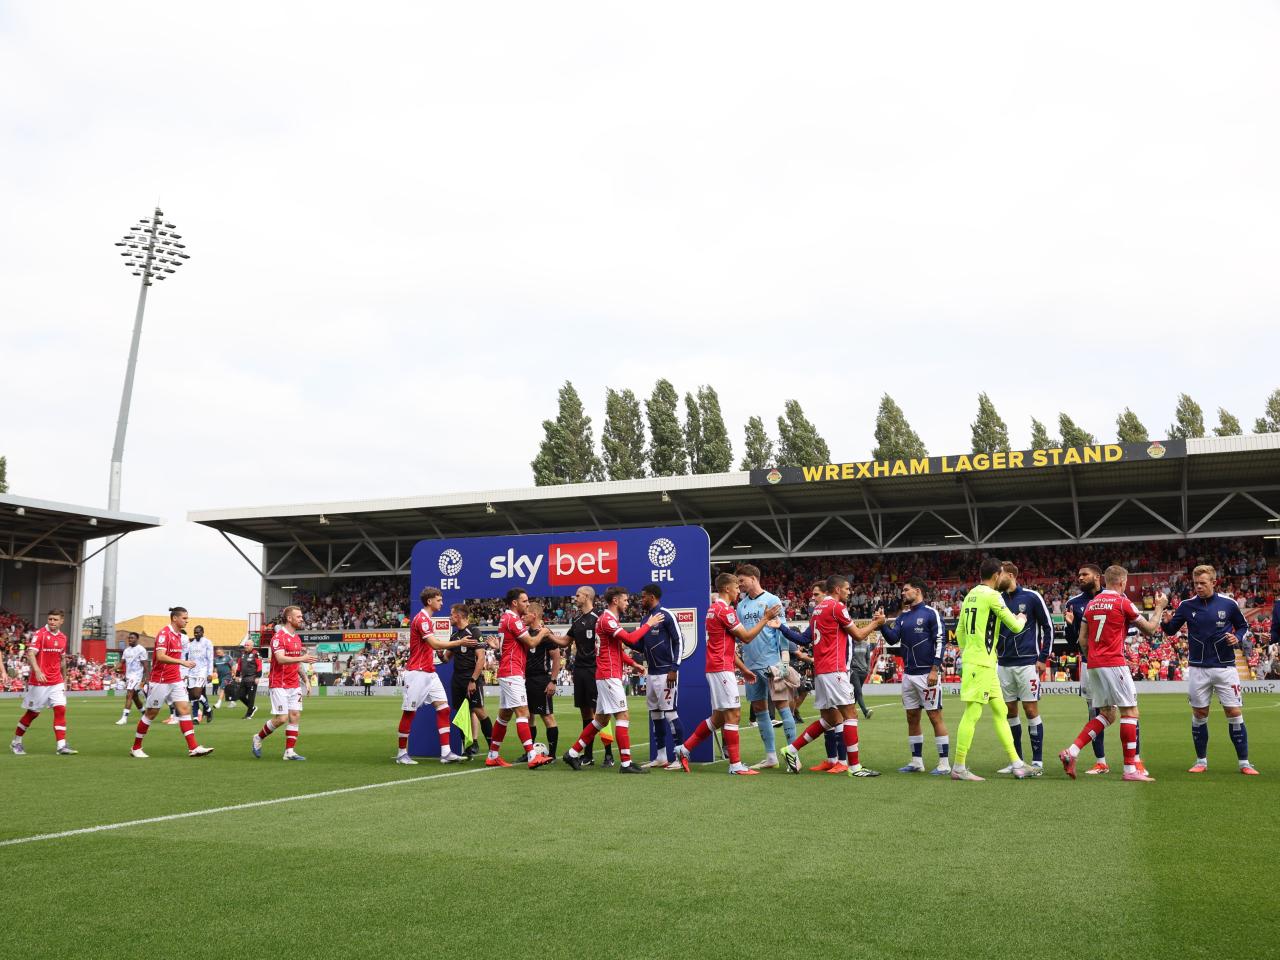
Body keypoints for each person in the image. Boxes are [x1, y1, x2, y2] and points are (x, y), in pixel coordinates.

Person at [1059, 566, 1166, 781]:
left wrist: (1094, 658)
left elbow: (1081, 640)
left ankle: (1072, 752)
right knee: (1130, 713)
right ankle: (1130, 770)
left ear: (1105, 580)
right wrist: (1160, 608)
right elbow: (1150, 629)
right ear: (1122, 582)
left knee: (1107, 714)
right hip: (1114, 663)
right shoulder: (1122, 602)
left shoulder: (1090, 605)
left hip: (1093, 665)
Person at [673, 573, 779, 776]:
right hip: (721, 668)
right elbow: (746, 638)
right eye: (736, 587)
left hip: (719, 666)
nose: (739, 590)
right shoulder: (725, 611)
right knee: (734, 714)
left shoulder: (714, 610)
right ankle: (735, 765)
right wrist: (765, 619)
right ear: (727, 589)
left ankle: (684, 750)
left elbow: (724, 646)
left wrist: (744, 669)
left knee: (718, 718)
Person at [1159, 564, 1258, 775]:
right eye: (1196, 583)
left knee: (1233, 712)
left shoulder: (1228, 604)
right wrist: (1165, 621)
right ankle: (1201, 761)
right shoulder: (1186, 605)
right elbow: (1170, 631)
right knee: (1200, 713)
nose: (1199, 587)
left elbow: (1243, 626)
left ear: (1214, 582)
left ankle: (1244, 763)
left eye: (1203, 583)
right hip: (1198, 669)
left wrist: (1237, 637)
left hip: (1225, 668)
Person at [781, 576, 881, 777]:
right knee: (850, 715)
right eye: (847, 588)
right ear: (836, 589)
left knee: (829, 719)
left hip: (822, 671)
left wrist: (781, 628)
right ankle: (855, 767)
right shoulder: (837, 607)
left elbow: (806, 638)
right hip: (835, 670)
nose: (849, 592)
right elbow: (859, 635)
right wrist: (876, 623)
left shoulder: (817, 611)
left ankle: (790, 750)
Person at [950, 560, 1038, 781]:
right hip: (981, 664)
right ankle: (959, 767)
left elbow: (960, 630)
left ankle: (1017, 763)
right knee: (973, 713)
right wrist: (1021, 617)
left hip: (983, 663)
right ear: (998, 574)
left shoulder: (971, 595)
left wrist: (968, 651)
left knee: (1001, 711)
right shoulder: (992, 595)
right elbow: (1016, 627)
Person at [563, 586, 663, 773]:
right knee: (622, 715)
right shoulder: (607, 619)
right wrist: (649, 624)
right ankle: (626, 763)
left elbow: (616, 649)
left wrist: (633, 663)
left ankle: (572, 753)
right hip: (608, 675)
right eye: (625, 600)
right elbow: (630, 639)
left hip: (606, 675)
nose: (627, 603)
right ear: (615, 601)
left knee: (600, 720)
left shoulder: (609, 619)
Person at [395, 587, 478, 765]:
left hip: (429, 672)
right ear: (430, 601)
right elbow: (434, 644)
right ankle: (402, 754)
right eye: (439, 600)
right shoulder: (422, 619)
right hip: (417, 673)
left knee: (444, 708)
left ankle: (446, 752)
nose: (441, 603)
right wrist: (460, 642)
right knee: (409, 713)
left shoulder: (427, 619)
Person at [877, 578, 950, 775]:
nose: (903, 593)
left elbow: (941, 641)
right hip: (909, 675)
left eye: (906, 590)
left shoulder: (931, 614)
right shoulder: (902, 616)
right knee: (912, 717)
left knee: (935, 716)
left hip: (927, 673)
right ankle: (916, 762)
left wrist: (935, 669)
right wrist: (882, 625)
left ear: (917, 591)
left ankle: (944, 763)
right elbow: (893, 638)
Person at [734, 564, 797, 770]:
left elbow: (781, 630)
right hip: (751, 665)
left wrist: (785, 660)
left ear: (753, 578)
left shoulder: (772, 600)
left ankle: (792, 756)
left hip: (772, 663)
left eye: (742, 580)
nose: (739, 584)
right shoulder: (741, 605)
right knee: (760, 709)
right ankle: (771, 756)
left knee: (782, 706)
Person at [129, 607, 214, 758]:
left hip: (175, 679)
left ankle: (193, 747)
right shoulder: (164, 634)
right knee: (151, 713)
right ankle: (136, 747)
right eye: (184, 618)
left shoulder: (179, 636)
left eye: (187, 618)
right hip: (161, 679)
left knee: (184, 710)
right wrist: (182, 662)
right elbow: (160, 656)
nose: (187, 621)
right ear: (175, 618)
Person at [485, 589, 555, 769]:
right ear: (515, 603)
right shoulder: (512, 619)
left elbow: (508, 645)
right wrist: (543, 632)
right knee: (523, 713)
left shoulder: (506, 619)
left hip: (510, 670)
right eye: (524, 601)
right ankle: (533, 756)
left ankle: (493, 755)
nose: (527, 604)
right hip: (512, 672)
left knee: (504, 716)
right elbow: (531, 643)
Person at [995, 562, 1054, 772]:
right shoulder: (996, 598)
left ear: (1010, 575)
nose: (995, 577)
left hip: (1027, 663)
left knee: (1030, 710)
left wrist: (1043, 657)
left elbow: (1048, 627)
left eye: (998, 574)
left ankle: (1037, 761)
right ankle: (1017, 761)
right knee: (1010, 712)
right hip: (1002, 664)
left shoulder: (1031, 597)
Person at [252, 605, 317, 760]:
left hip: (294, 683)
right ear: (289, 618)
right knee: (281, 718)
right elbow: (281, 659)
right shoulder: (278, 638)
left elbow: (297, 664)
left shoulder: (296, 638)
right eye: (299, 616)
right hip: (279, 683)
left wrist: (306, 680)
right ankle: (258, 737)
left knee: (295, 715)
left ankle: (289, 752)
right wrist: (302, 658)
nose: (302, 619)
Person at [1062, 564, 1109, 774]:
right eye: (1078, 574)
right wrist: (1070, 625)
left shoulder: (1112, 597)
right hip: (1089, 664)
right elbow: (1072, 642)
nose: (1080, 577)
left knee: (1128, 710)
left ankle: (1134, 761)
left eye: (1084, 574)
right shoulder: (1073, 603)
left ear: (1097, 576)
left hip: (1113, 662)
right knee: (1094, 713)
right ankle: (1101, 762)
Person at [11, 609, 76, 756]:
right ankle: (16, 742)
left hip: (56, 681)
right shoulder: (40, 634)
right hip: (40, 682)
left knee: (61, 710)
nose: (52, 622)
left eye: (55, 619)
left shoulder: (63, 638)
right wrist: (38, 671)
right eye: (50, 619)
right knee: (32, 714)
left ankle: (61, 746)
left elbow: (62, 659)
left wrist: (64, 679)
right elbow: (30, 653)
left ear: (61, 621)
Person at [637, 583, 685, 769]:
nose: (641, 600)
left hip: (667, 672)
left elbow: (678, 641)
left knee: (670, 713)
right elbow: (641, 646)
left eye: (643, 597)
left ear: (652, 596)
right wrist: (624, 639)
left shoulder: (666, 615)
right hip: (651, 673)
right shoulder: (645, 620)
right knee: (656, 715)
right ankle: (661, 756)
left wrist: (675, 667)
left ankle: (681, 757)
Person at [565, 586, 612, 767]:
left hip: (595, 670)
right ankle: (588, 755)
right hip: (580, 670)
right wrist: (547, 634)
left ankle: (608, 754)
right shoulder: (576, 620)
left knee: (600, 711)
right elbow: (565, 642)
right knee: (585, 712)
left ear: (586, 597)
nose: (575, 598)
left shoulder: (598, 619)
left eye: (577, 595)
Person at [442, 603, 490, 759]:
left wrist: (473, 680)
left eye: (451, 614)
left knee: (479, 711)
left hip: (471, 678)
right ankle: (467, 747)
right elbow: (446, 659)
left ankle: (493, 748)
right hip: (457, 679)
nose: (449, 617)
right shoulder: (455, 637)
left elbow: (481, 658)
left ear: (458, 616)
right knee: (462, 714)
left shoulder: (474, 631)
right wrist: (438, 652)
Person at [521, 601, 563, 762]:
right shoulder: (525, 633)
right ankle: (530, 753)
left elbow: (556, 657)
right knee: (528, 716)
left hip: (541, 679)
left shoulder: (545, 633)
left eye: (526, 614)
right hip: (526, 680)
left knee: (547, 716)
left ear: (534, 615)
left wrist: (553, 681)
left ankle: (552, 754)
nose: (523, 616)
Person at [115, 631, 148, 725]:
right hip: (129, 676)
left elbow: (145, 665)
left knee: (129, 694)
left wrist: (147, 678)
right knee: (134, 697)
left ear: (137, 639)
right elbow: (122, 663)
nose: (130, 640)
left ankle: (124, 718)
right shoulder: (126, 650)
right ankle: (145, 714)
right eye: (129, 638)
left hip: (137, 676)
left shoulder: (141, 650)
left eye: (132, 638)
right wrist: (113, 668)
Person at [186, 624, 214, 724]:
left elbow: (210, 658)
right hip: (191, 672)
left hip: (202, 671)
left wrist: (210, 673)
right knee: (192, 696)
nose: (196, 634)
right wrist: (185, 672)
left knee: (197, 694)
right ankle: (195, 718)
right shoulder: (190, 644)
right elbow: (188, 659)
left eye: (198, 632)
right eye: (195, 632)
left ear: (202, 632)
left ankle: (209, 710)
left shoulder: (207, 642)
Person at [233, 638, 263, 719]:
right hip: (244, 679)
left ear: (252, 646)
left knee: (251, 698)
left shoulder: (256, 654)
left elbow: (259, 666)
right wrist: (237, 675)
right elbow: (239, 666)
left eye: (247, 645)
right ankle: (252, 708)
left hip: (252, 679)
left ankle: (249, 714)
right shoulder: (242, 654)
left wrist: (257, 677)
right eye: (245, 645)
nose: (245, 646)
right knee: (240, 695)